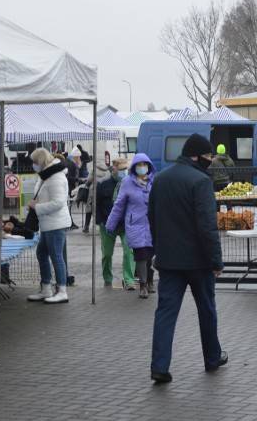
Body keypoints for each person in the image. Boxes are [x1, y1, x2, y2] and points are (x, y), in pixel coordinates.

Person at [147, 133, 227, 383]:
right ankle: (212, 358)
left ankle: (159, 367)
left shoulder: (160, 179)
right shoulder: (201, 181)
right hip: (198, 263)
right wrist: (216, 261)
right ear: (196, 155)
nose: (210, 160)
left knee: (165, 313)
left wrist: (160, 249)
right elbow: (207, 227)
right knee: (207, 310)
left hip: (169, 262)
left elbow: (152, 218)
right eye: (208, 156)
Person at [26, 147, 72, 304]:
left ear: (41, 161)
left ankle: (62, 290)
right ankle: (46, 288)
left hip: (56, 223)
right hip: (48, 223)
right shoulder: (46, 175)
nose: (33, 165)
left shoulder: (56, 178)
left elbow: (58, 203)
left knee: (56, 257)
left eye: (34, 162)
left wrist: (37, 207)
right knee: (42, 254)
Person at [106, 152, 156, 299]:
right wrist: (110, 224)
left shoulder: (154, 181)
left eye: (144, 165)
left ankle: (150, 280)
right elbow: (119, 205)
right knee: (141, 255)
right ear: (134, 167)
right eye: (139, 165)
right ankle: (143, 286)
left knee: (150, 254)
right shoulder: (127, 182)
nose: (142, 167)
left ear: (149, 166)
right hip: (136, 224)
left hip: (152, 224)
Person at [95, 158, 136, 289]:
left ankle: (129, 279)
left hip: (126, 224)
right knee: (107, 253)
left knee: (129, 251)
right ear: (114, 169)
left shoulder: (132, 183)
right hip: (107, 224)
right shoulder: (103, 183)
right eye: (122, 169)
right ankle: (107, 278)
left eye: (126, 169)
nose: (125, 172)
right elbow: (96, 203)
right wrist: (100, 221)